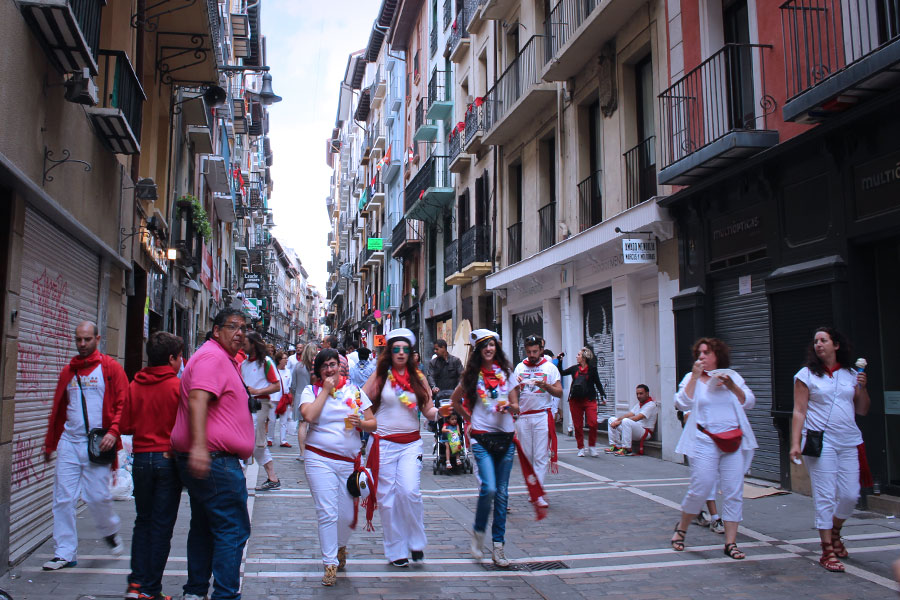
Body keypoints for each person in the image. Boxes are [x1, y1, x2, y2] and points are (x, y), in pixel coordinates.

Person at [170, 308, 255, 600]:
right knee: (232, 530)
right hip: (216, 460)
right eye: (233, 326)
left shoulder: (221, 358)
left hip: (213, 459)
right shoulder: (212, 357)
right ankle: (225, 594)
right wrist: (198, 447)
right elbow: (197, 398)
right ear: (216, 330)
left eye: (243, 327)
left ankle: (195, 591)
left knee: (205, 527)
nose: (240, 332)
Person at [451, 329, 545, 568]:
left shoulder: (508, 373)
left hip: (505, 439)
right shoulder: (471, 375)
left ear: (496, 347)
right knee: (489, 489)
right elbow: (455, 401)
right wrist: (468, 420)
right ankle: (478, 532)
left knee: (502, 495)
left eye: (492, 344)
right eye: (484, 346)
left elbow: (516, 407)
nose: (489, 349)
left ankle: (499, 547)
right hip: (481, 439)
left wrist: (508, 408)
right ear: (478, 351)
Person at [41, 321, 127, 571]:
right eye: (78, 339)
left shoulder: (110, 369)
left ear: (97, 339)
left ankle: (110, 531)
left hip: (98, 444)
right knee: (63, 498)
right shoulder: (69, 371)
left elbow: (123, 403)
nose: (82, 344)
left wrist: (113, 431)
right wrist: (50, 445)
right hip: (70, 442)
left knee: (97, 497)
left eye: (87, 339)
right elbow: (58, 410)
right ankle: (64, 552)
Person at [790, 327, 870, 573]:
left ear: (836, 345)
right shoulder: (806, 375)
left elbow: (863, 410)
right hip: (820, 441)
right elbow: (799, 410)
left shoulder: (849, 374)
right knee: (825, 495)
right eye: (816, 341)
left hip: (848, 440)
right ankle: (827, 549)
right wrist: (795, 443)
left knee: (850, 495)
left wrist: (863, 388)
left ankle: (835, 530)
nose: (819, 344)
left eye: (824, 340)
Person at [671, 337, 757, 561]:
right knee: (701, 487)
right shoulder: (692, 378)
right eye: (699, 353)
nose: (701, 357)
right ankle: (682, 527)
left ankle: (731, 542)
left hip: (732, 440)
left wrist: (731, 386)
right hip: (704, 440)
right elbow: (681, 403)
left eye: (706, 353)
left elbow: (749, 401)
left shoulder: (733, 376)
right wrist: (695, 378)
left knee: (733, 491)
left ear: (718, 355)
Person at [300, 349, 377, 586]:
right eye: (324, 366)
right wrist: (325, 389)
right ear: (318, 370)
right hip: (318, 458)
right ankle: (329, 563)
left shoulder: (354, 392)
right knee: (327, 511)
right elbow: (309, 416)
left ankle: (341, 546)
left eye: (333, 364)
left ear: (340, 367)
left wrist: (361, 423)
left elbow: (373, 423)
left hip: (348, 462)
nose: (329, 369)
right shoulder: (310, 391)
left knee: (346, 515)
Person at [362, 328, 437, 567]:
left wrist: (442, 412)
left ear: (411, 352)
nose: (401, 353)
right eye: (396, 349)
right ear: (389, 352)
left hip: (410, 444)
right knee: (386, 499)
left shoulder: (419, 378)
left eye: (406, 349)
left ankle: (416, 542)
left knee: (409, 492)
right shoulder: (380, 376)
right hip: (383, 444)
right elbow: (360, 400)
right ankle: (396, 550)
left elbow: (428, 410)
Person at [120, 332, 184, 600]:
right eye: (180, 357)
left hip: (141, 461)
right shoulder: (177, 388)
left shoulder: (135, 385)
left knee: (142, 521)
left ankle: (135, 583)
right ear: (171, 359)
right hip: (167, 462)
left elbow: (125, 425)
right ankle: (151, 589)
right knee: (161, 527)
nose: (182, 361)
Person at [512, 335, 562, 507]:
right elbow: (511, 396)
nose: (532, 354)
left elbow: (559, 392)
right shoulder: (519, 367)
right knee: (528, 456)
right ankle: (533, 489)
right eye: (528, 352)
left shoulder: (549, 367)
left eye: (535, 351)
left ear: (541, 350)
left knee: (540, 456)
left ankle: (538, 493)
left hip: (541, 415)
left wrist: (545, 386)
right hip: (524, 416)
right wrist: (517, 388)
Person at [241, 332, 282, 491]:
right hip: (247, 404)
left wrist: (256, 391)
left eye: (245, 342)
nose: (242, 345)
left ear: (254, 344)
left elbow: (276, 385)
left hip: (260, 404)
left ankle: (271, 477)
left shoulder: (265, 363)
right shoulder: (244, 364)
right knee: (253, 441)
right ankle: (272, 477)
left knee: (256, 442)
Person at [560, 348, 606, 456]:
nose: (577, 356)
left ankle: (592, 446)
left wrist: (603, 394)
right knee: (578, 425)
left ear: (584, 357)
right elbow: (562, 373)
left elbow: (598, 383)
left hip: (589, 399)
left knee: (593, 423)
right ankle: (580, 447)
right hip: (575, 400)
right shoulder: (574, 369)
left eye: (578, 354)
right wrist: (560, 361)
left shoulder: (592, 369)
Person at [606, 384, 658, 457]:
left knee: (626, 421)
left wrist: (619, 422)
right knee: (611, 419)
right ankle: (616, 446)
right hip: (635, 429)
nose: (638, 396)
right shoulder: (638, 405)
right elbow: (629, 414)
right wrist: (617, 420)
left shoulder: (651, 405)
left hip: (645, 432)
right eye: (637, 394)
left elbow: (638, 417)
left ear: (647, 393)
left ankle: (627, 449)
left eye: (641, 393)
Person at [291, 344, 317, 460]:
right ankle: (312, 452)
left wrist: (293, 399)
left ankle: (302, 453)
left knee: (302, 424)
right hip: (314, 397)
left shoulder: (298, 366)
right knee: (314, 425)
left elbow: (293, 385)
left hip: (300, 397)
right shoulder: (316, 367)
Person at [274, 351, 294, 448]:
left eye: (286, 358)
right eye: (284, 358)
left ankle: (283, 440)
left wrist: (290, 398)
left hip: (284, 398)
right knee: (272, 419)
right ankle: (269, 439)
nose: (286, 360)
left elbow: (289, 386)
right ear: (279, 360)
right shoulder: (273, 371)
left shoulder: (288, 371)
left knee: (284, 420)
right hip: (273, 398)